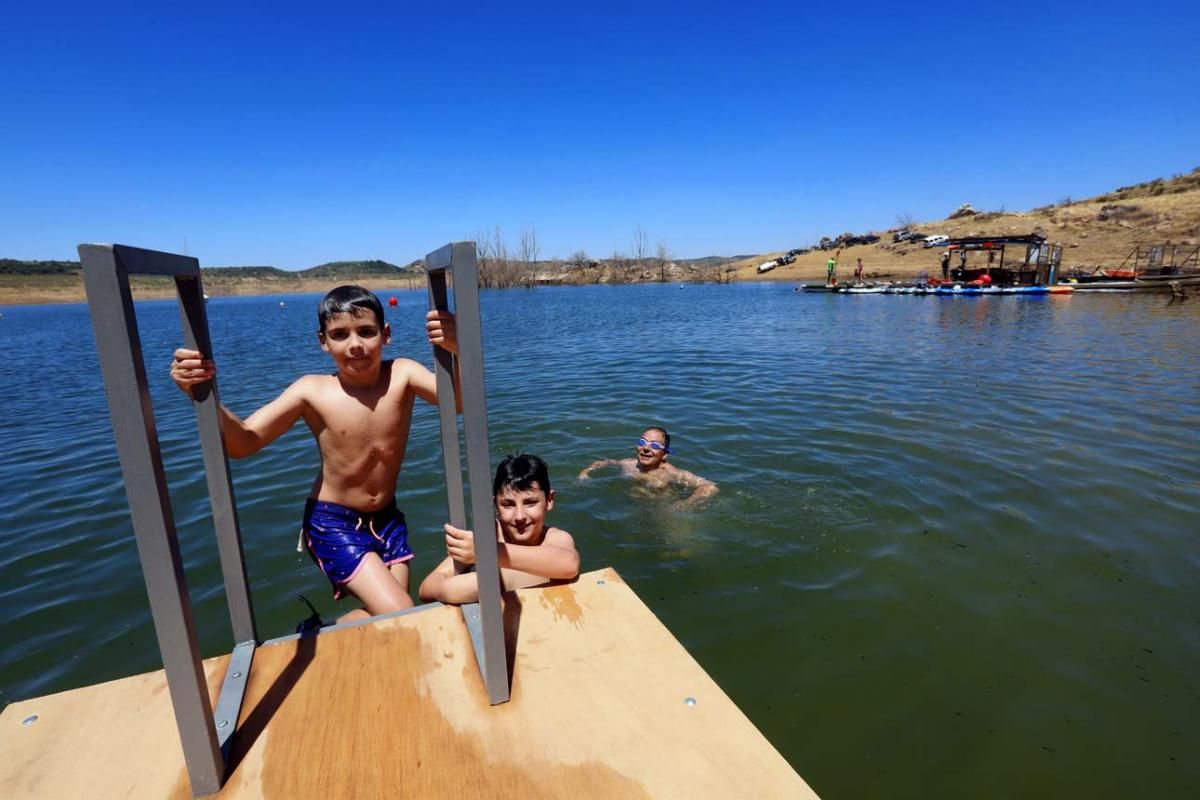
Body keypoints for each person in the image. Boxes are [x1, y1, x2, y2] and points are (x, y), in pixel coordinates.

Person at [169, 285, 459, 623]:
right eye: (340, 335)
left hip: (388, 518)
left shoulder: (403, 374)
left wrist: (457, 348)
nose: (355, 345)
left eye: (366, 332)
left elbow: (460, 402)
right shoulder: (312, 391)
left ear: (386, 334)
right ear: (323, 341)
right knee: (403, 614)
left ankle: (329, 628)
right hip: (333, 522)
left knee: (392, 616)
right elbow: (243, 442)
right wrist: (200, 395)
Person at [419, 453, 579, 604]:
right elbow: (427, 588)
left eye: (530, 503)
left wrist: (487, 553)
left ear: (549, 500)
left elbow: (569, 564)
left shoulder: (554, 537)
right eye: (508, 504)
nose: (520, 516)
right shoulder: (490, 535)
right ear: (495, 505)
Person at [578, 426, 718, 510]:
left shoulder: (670, 472)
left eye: (655, 446)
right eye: (642, 442)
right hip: (631, 507)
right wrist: (586, 473)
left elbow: (710, 487)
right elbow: (605, 462)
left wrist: (685, 504)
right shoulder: (628, 464)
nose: (646, 448)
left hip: (661, 510)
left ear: (664, 455)